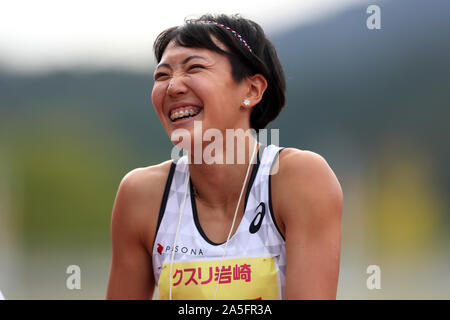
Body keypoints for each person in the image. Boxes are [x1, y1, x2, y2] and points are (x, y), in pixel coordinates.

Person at [106, 13, 343, 300]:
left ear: (252, 90)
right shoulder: (141, 194)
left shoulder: (298, 178)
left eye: (194, 68)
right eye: (162, 75)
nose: (173, 86)